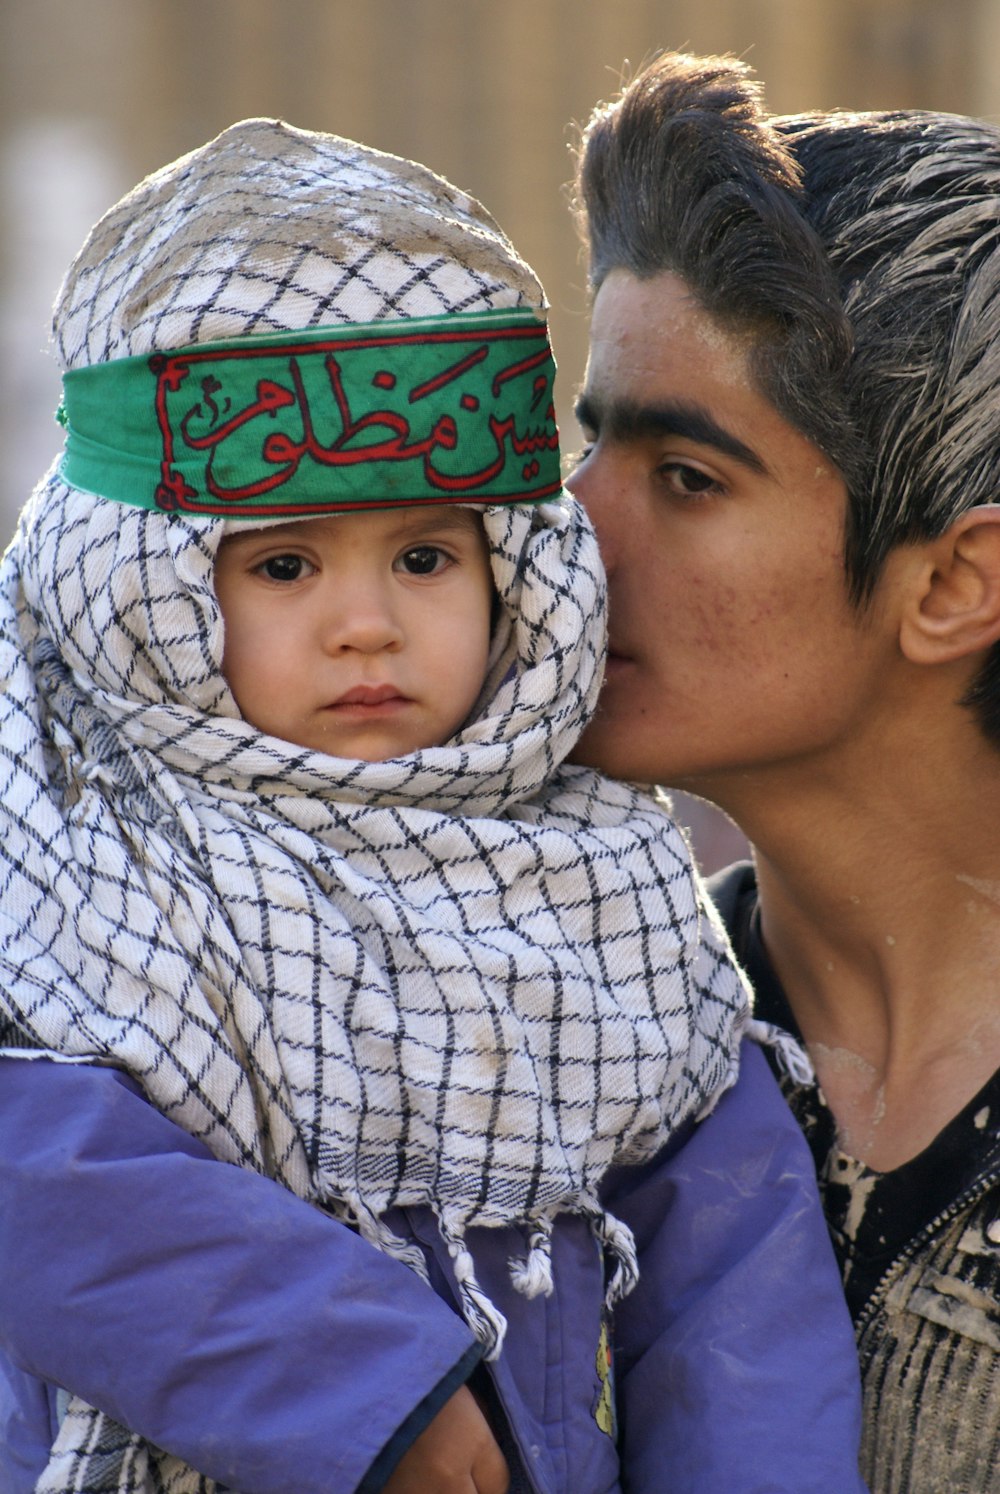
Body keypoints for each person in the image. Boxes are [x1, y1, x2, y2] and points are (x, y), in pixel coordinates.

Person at [0, 119, 866, 1494]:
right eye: (283, 565)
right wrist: (369, 1391)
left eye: (421, 553)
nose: (366, 625)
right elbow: (37, 1183)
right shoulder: (63, 839)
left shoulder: (608, 891)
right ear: (147, 594)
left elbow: (734, 1315)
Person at [568, 47, 1000, 1494]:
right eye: (588, 449)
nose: (566, 534)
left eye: (684, 477)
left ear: (956, 582)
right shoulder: (560, 1046)